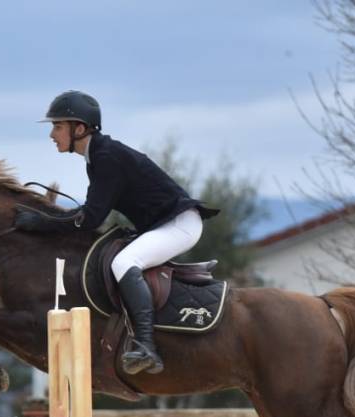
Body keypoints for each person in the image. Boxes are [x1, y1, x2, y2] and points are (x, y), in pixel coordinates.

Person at [13, 90, 219, 375]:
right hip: (163, 223)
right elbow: (91, 214)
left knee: (124, 262)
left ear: (80, 128)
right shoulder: (97, 155)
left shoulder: (105, 157)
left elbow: (90, 218)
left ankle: (146, 346)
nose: (52, 134)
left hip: (179, 225)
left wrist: (41, 222)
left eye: (57, 126)